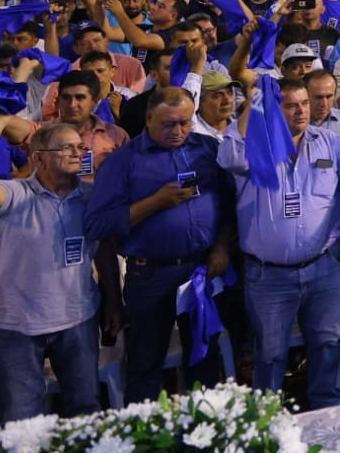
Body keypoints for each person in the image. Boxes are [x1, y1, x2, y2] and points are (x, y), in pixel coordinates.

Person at [219, 78, 340, 407]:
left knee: (327, 346)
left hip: (325, 267)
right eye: (290, 105)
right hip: (269, 276)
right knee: (271, 354)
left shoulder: (329, 143)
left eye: (304, 103)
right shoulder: (254, 149)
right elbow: (228, 155)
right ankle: (266, 425)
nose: (301, 110)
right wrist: (254, 104)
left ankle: (328, 417)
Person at [84, 86, 233, 405]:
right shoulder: (123, 161)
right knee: (145, 366)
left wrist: (221, 246)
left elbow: (228, 203)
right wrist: (155, 202)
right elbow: (98, 224)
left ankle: (203, 433)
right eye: (169, 124)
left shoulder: (206, 148)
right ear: (149, 118)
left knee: (203, 358)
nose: (178, 131)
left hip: (199, 271)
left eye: (185, 122)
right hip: (150, 276)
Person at [0, 112, 119, 422]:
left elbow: (103, 250)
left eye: (80, 147)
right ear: (39, 158)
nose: (79, 153)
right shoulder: (16, 195)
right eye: (67, 148)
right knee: (21, 423)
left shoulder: (91, 198)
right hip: (14, 328)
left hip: (78, 320)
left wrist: (114, 302)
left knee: (85, 414)